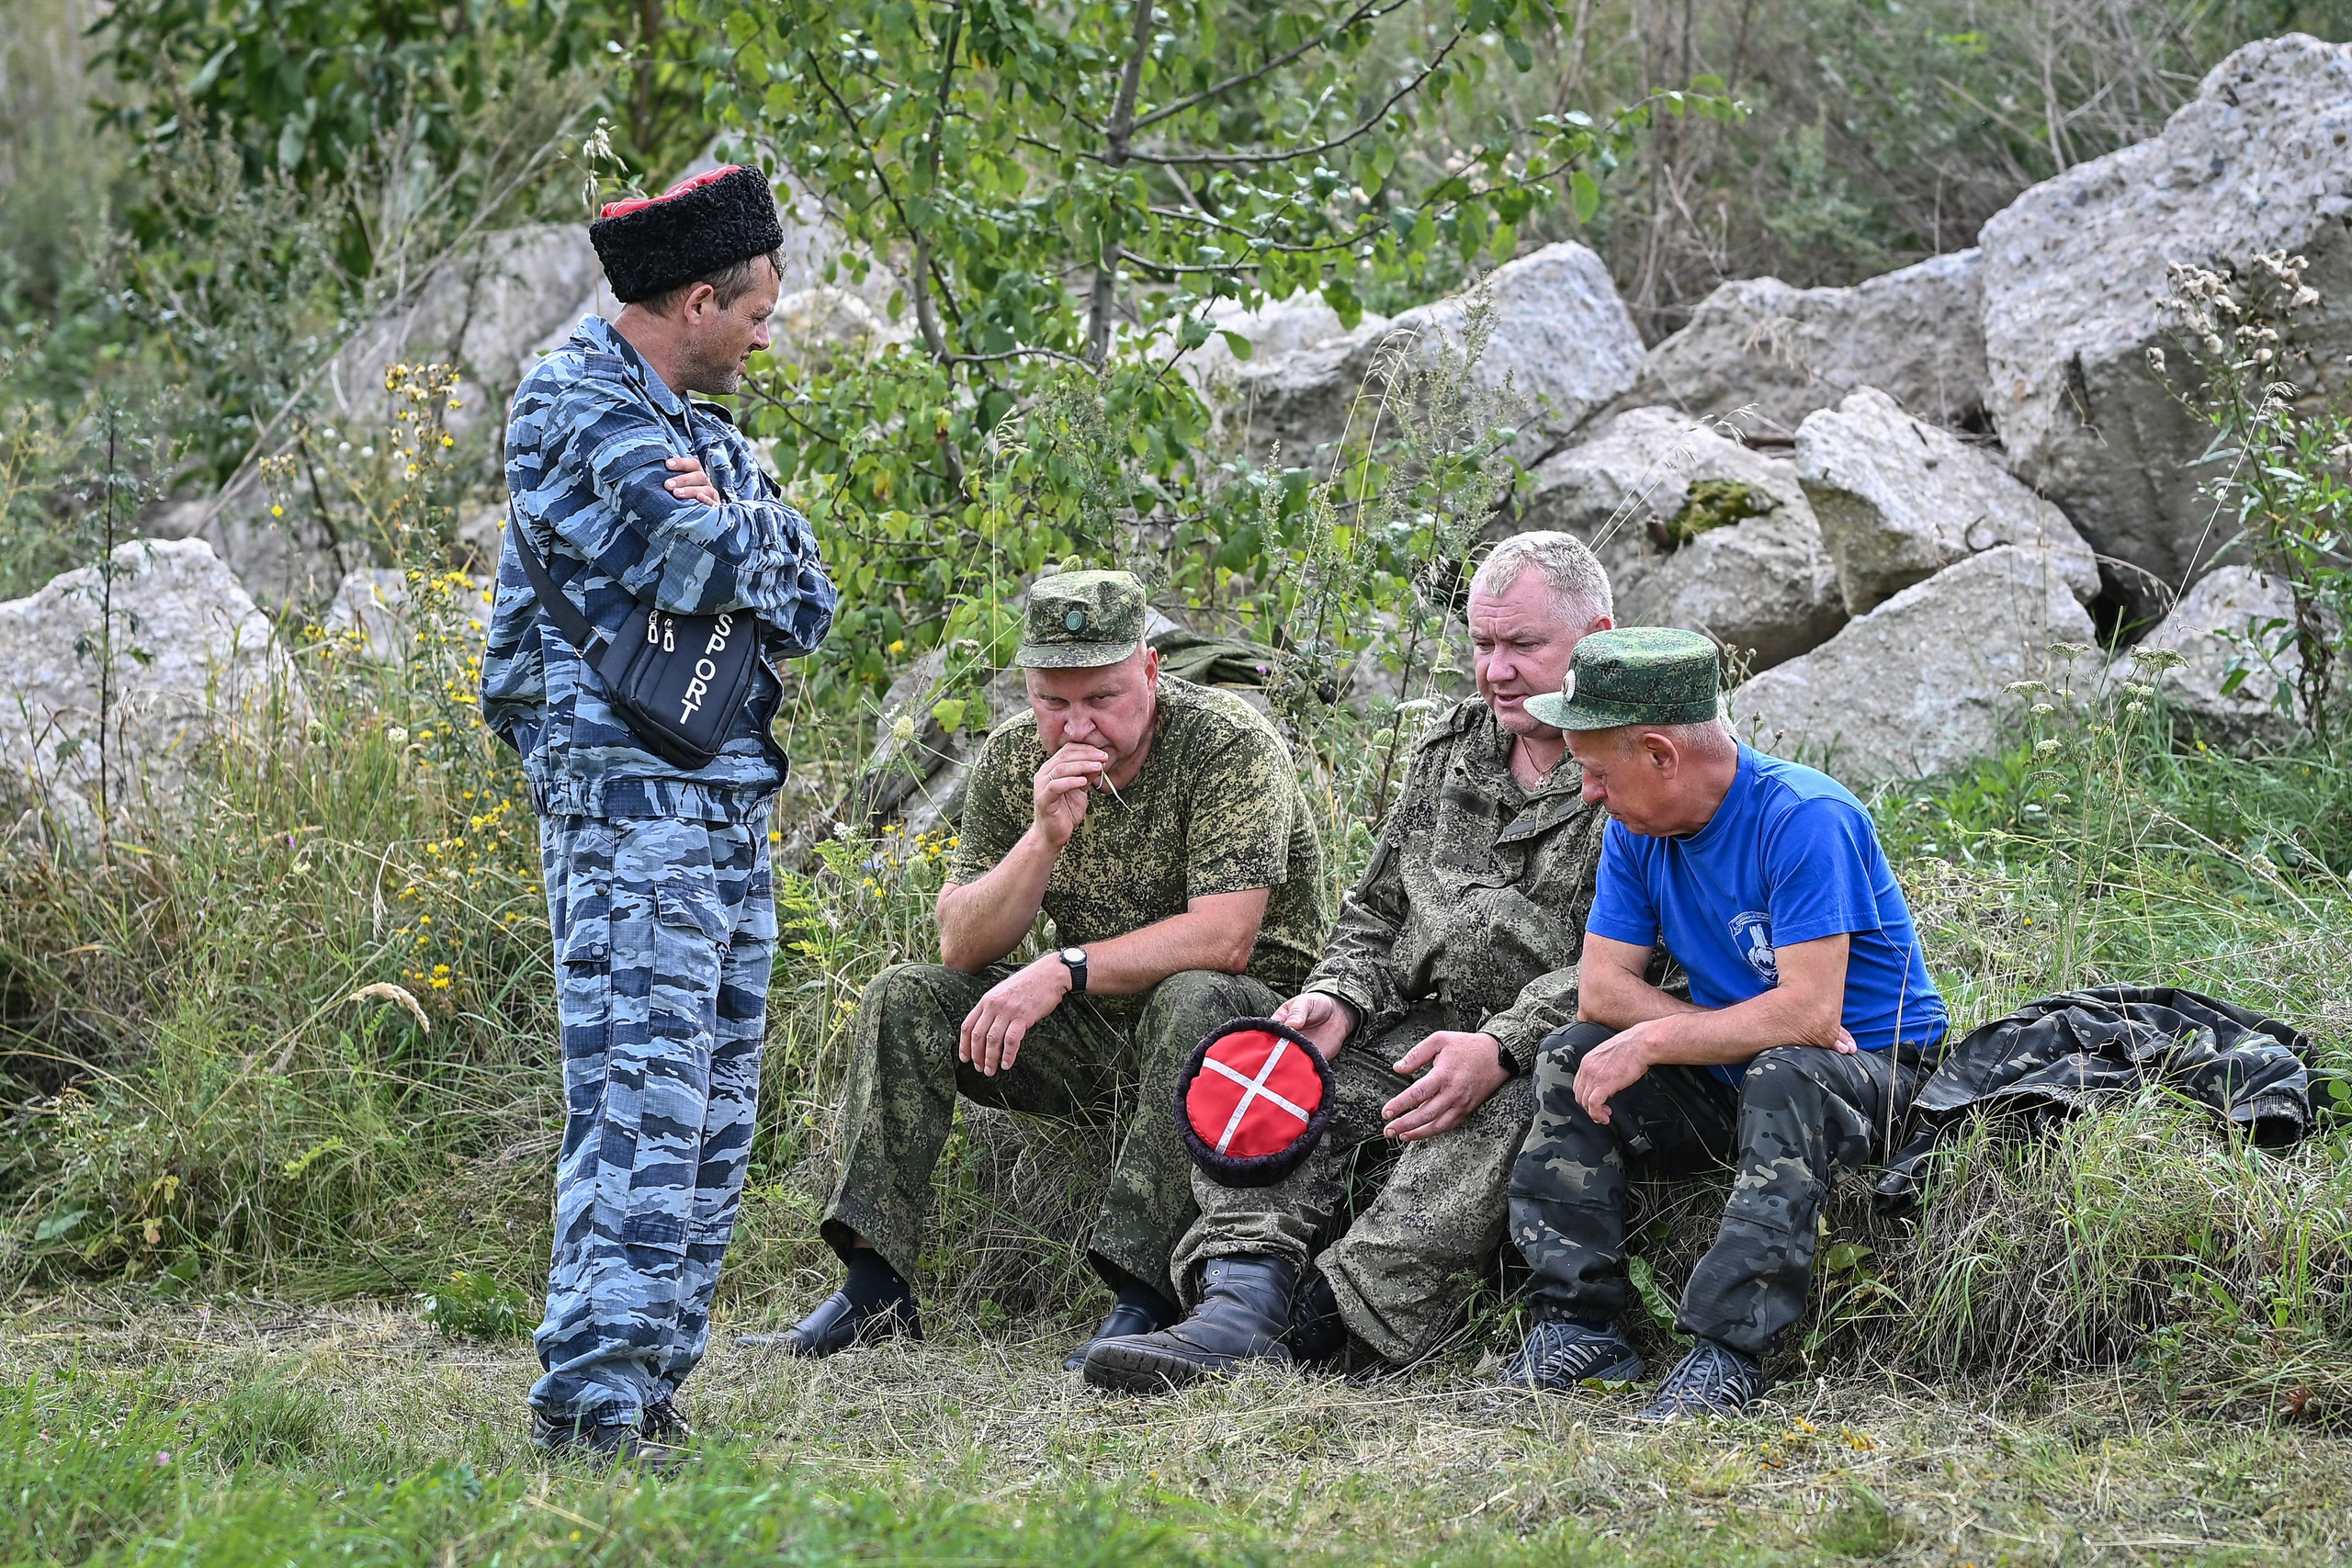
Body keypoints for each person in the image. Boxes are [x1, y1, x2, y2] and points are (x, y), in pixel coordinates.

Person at [480, 165, 838, 1464]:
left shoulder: (694, 423)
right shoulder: (579, 401)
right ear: (698, 298)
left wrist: (756, 531)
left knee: (713, 1099)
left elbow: (808, 594)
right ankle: (590, 1401)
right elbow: (716, 558)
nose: (763, 334)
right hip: (628, 799)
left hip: (717, 786)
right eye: (756, 313)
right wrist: (755, 533)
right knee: (643, 1092)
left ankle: (651, 1384)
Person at [1084, 533, 1618, 1393]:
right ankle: (1236, 1302)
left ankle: (1321, 1323)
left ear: (1593, 635)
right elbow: (1375, 911)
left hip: (1539, 1043)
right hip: (1415, 1024)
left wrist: (1503, 1044)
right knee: (1278, 1073)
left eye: (1524, 645)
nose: (1497, 671)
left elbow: (1633, 961)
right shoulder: (1454, 748)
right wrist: (1337, 997)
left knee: (1497, 1108)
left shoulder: (1630, 762)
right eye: (1483, 645)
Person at [782, 568, 1329, 1371]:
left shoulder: (1228, 741)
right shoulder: (1014, 760)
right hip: (1101, 1033)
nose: (1078, 726)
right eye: (1053, 701)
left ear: (1149, 669)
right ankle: (874, 1286)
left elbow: (1227, 937)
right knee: (907, 997)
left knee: (1195, 993)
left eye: (1103, 698)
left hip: (1245, 1045)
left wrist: (1060, 968)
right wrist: (1041, 840)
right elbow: (961, 946)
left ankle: (1144, 1295)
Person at [1501, 626, 1946, 1421]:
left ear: (1661, 755)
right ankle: (1578, 1324)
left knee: (1786, 1067)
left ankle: (1729, 1351)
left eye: (1598, 771)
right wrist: (1707, 1030)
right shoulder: (1636, 833)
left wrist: (1667, 1033)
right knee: (1573, 1054)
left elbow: (1811, 1016)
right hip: (1741, 1066)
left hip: (1882, 1076)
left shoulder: (1805, 816)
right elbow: (1602, 990)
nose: (1587, 793)